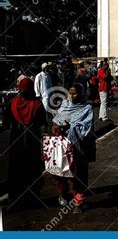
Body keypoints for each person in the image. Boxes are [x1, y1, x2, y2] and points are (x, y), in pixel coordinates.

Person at [52, 84, 95, 213]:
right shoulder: (64, 106)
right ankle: (63, 193)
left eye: (75, 93)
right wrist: (57, 127)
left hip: (79, 147)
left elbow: (86, 129)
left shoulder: (87, 108)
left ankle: (78, 202)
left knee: (79, 173)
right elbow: (56, 121)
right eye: (70, 93)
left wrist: (70, 127)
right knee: (61, 171)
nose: (72, 96)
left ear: (81, 94)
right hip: (63, 146)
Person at [6, 78, 48, 208]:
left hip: (16, 140)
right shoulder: (37, 104)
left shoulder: (13, 103)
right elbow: (42, 124)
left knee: (16, 168)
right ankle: (32, 197)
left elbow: (6, 122)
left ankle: (15, 197)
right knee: (33, 169)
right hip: (32, 141)